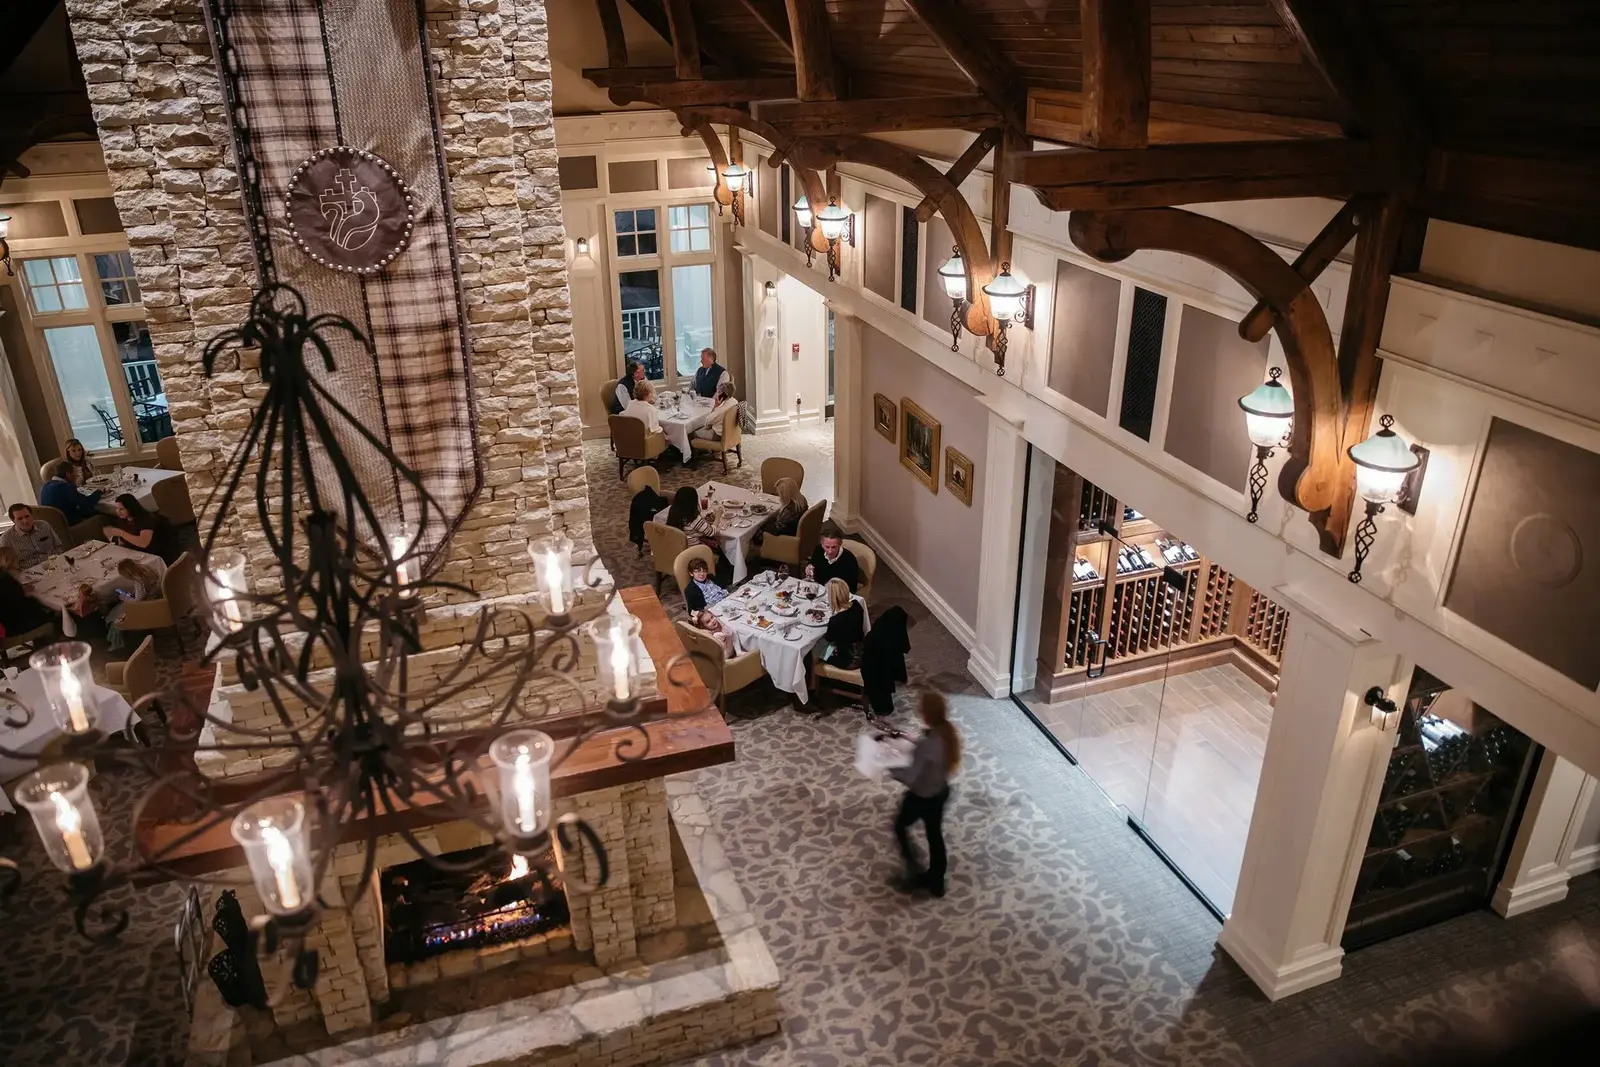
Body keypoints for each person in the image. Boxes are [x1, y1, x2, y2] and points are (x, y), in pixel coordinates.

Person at [889, 690, 961, 898]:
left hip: (922, 797)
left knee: (900, 826)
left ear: (927, 713)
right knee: (934, 836)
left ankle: (914, 869)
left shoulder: (928, 745)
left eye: (921, 709)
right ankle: (937, 881)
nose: (919, 711)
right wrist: (911, 741)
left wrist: (888, 766)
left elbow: (910, 777)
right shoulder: (947, 734)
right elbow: (930, 755)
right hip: (940, 792)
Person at [861, 604, 913, 720]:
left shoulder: (877, 632)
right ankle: (881, 708)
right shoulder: (888, 640)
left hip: (874, 667)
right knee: (881, 691)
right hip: (875, 671)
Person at [105, 556, 162, 650]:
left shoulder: (139, 582)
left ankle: (117, 643)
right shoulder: (147, 570)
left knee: (114, 615)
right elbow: (142, 593)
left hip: (145, 607)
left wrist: (124, 597)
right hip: (154, 599)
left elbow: (136, 602)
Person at [105, 493, 181, 563]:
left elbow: (143, 543)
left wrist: (121, 533)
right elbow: (122, 541)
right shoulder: (122, 520)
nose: (118, 512)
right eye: (116, 508)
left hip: (155, 555)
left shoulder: (146, 519)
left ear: (130, 508)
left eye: (121, 509)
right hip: (136, 553)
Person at [0, 546, 53, 640]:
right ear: (10, 561)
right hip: (20, 628)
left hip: (9, 627)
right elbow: (23, 611)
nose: (18, 559)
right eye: (15, 557)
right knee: (59, 613)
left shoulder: (5, 579)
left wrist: (21, 589)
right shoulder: (8, 581)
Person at [819, 578, 864, 668]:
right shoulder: (856, 604)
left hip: (848, 660)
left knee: (816, 650)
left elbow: (828, 638)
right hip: (860, 651)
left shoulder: (836, 621)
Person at [2, 503, 63, 569]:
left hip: (54, 564)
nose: (25, 521)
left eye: (27, 516)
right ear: (13, 520)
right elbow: (8, 565)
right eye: (20, 518)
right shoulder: (7, 538)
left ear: (32, 515)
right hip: (29, 571)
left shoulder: (44, 525)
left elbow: (58, 546)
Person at [805, 522, 859, 591]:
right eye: (827, 547)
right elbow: (813, 563)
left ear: (840, 544)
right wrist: (809, 567)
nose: (830, 551)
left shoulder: (850, 560)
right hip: (817, 588)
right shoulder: (818, 550)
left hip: (837, 593)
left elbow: (852, 588)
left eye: (834, 547)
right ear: (822, 544)